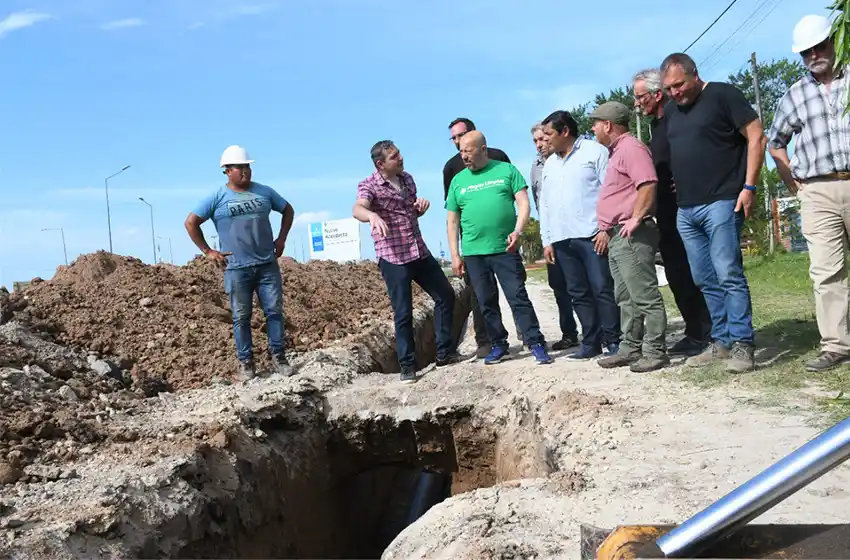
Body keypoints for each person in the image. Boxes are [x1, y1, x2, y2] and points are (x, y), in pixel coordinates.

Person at [660, 52, 766, 373]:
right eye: (669, 88)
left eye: (679, 85)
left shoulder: (722, 94)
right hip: (687, 209)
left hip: (723, 200)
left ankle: (742, 344)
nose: (675, 92)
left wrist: (749, 187)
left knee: (728, 273)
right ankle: (720, 340)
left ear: (695, 74)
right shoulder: (670, 111)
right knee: (703, 278)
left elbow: (756, 135)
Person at [768, 14, 850, 372]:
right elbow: (775, 143)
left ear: (834, 41)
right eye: (806, 51)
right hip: (816, 190)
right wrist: (793, 183)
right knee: (827, 271)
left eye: (820, 45)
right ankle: (837, 345)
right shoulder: (795, 94)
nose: (815, 54)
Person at [184, 145, 295, 381]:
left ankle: (279, 357)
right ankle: (246, 363)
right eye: (240, 168)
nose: (245, 172)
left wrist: (282, 239)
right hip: (236, 269)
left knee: (274, 312)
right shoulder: (217, 198)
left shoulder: (264, 193)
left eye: (247, 167)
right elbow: (191, 223)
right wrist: (208, 251)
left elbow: (288, 210)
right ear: (227, 171)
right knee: (241, 317)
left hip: (267, 264)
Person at [354, 140, 459, 384]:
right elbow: (358, 208)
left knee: (445, 295)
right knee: (403, 313)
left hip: (418, 251)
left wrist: (418, 208)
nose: (400, 158)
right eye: (394, 156)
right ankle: (407, 367)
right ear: (381, 164)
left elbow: (408, 211)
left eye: (399, 153)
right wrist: (371, 216)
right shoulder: (369, 185)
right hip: (393, 257)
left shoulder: (407, 179)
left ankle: (444, 353)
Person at [446, 131, 554, 366]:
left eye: (468, 151)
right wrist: (455, 254)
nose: (463, 156)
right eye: (461, 151)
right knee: (486, 302)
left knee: (517, 297)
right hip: (474, 252)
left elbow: (523, 203)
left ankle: (535, 342)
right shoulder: (458, 181)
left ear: (483, 149)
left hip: (505, 248)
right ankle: (499, 344)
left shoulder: (506, 171)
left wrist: (518, 230)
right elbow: (452, 220)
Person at [632, 68, 712, 356]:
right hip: (666, 210)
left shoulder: (679, 116)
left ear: (656, 94)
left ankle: (709, 330)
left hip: (686, 207)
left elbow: (698, 149)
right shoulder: (657, 125)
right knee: (677, 272)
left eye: (640, 96)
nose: (637, 103)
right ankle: (695, 331)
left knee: (695, 271)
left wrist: (689, 176)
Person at [588, 102, 670, 372]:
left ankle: (655, 350)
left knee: (644, 295)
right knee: (625, 296)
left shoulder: (631, 148)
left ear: (608, 125)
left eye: (596, 123)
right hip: (617, 236)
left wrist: (636, 218)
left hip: (631, 233)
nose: (593, 128)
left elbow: (647, 183)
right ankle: (630, 347)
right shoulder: (617, 152)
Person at [539, 110, 621, 360]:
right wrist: (547, 239)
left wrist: (606, 228)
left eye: (549, 134)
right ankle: (591, 342)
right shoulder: (550, 164)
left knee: (602, 288)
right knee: (578, 292)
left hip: (592, 234)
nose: (546, 140)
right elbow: (545, 204)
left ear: (565, 131)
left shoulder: (594, 152)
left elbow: (610, 190)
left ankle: (614, 340)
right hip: (562, 239)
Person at [442, 117, 519, 357]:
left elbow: (515, 195)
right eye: (453, 138)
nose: (457, 142)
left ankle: (527, 334)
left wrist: (516, 229)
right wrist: (456, 251)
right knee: (480, 296)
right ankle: (486, 341)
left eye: (460, 136)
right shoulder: (451, 168)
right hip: (474, 245)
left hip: (504, 241)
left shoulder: (499, 157)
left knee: (516, 290)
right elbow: (453, 212)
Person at [530, 122, 580, 351]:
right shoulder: (536, 167)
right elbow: (540, 204)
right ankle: (569, 333)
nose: (540, 144)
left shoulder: (571, 159)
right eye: (536, 141)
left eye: (543, 138)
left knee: (583, 285)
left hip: (577, 231)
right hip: (552, 234)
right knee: (559, 287)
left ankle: (598, 332)